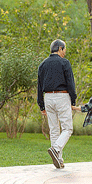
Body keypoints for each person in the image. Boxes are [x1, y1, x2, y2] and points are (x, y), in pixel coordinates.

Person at [37, 39, 77, 169]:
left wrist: (41, 104)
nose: (65, 52)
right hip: (62, 96)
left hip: (47, 97)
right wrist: (73, 99)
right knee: (67, 128)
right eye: (64, 49)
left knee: (54, 130)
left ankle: (58, 160)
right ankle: (56, 148)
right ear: (60, 48)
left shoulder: (43, 64)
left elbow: (39, 86)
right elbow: (70, 82)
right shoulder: (64, 63)